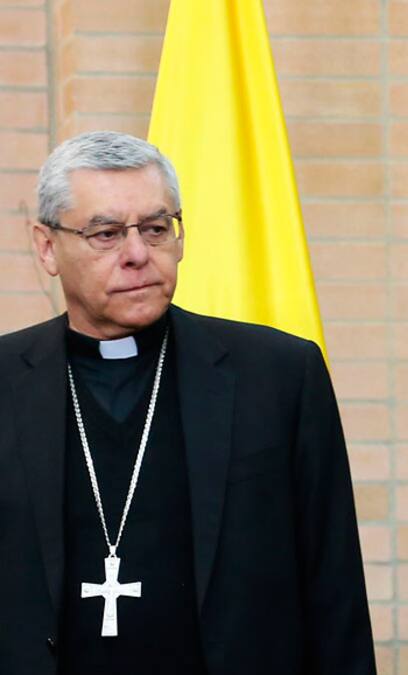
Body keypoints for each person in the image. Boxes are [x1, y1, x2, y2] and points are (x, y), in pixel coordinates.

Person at [0, 131, 375, 674]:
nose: (137, 254)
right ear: (46, 246)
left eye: (156, 229)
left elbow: (334, 589)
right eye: (106, 234)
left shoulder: (279, 375)